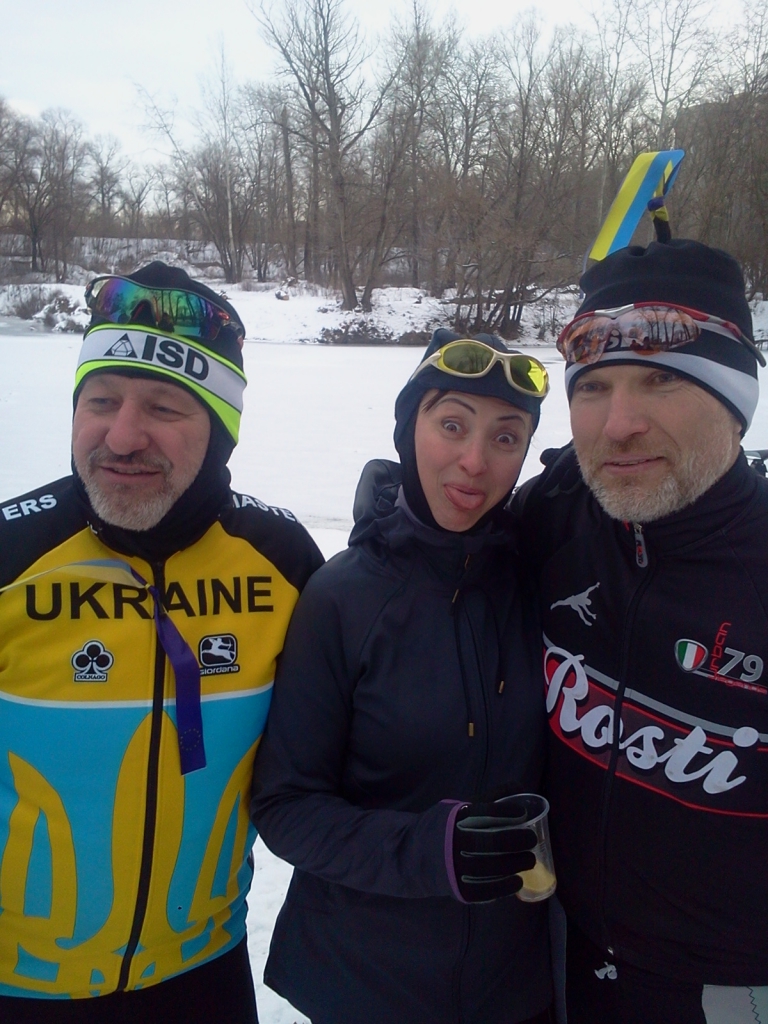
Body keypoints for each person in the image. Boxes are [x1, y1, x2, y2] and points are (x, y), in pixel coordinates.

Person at [0, 262, 323, 1023]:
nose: (121, 436)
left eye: (164, 407)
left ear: (220, 431)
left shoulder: (283, 563)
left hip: (203, 978)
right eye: (100, 401)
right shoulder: (12, 559)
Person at [251, 329, 554, 1024]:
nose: (474, 461)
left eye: (506, 438)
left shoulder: (540, 581)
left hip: (514, 984)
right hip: (365, 980)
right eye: (451, 425)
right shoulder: (342, 597)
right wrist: (431, 852)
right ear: (406, 428)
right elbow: (286, 807)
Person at [515, 239, 768, 1023]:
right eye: (593, 387)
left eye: (662, 379)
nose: (619, 425)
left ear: (734, 400)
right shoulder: (554, 519)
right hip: (566, 960)